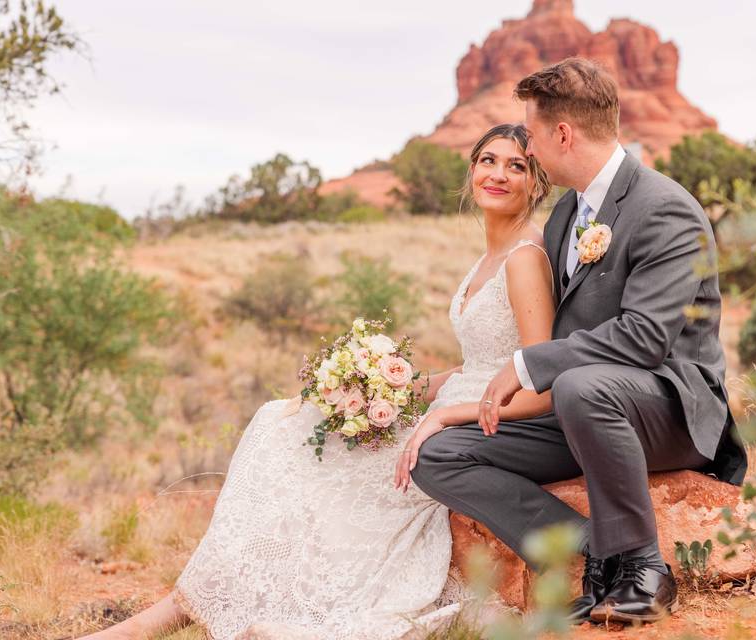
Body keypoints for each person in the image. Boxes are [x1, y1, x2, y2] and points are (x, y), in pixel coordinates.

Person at [78, 123, 555, 640]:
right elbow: (478, 364)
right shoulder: (488, 257)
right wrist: (390, 388)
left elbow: (539, 383)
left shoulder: (525, 259)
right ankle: (187, 603)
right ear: (470, 171)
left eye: (516, 166)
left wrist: (445, 414)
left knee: (318, 462)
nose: (499, 174)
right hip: (455, 405)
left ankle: (175, 614)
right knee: (282, 420)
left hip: (479, 427)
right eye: (488, 160)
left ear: (536, 184)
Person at [411, 58, 748, 625]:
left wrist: (528, 363)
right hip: (582, 406)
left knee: (582, 387)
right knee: (440, 453)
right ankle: (585, 548)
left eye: (534, 137)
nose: (531, 150)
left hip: (669, 412)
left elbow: (644, 338)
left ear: (562, 134)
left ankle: (643, 567)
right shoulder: (569, 210)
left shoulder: (663, 208)